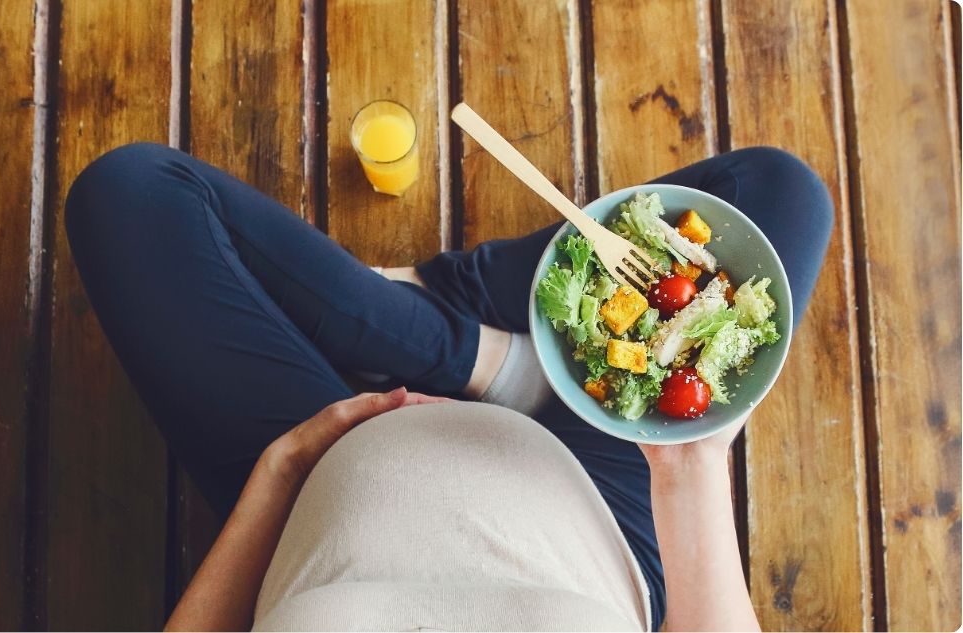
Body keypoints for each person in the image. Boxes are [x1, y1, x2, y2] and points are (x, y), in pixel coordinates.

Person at [64, 142, 832, 632]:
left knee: (131, 192)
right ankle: (474, 343)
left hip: (313, 468)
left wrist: (280, 473)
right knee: (779, 193)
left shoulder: (289, 470)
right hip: (608, 504)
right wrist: (691, 469)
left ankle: (443, 327)